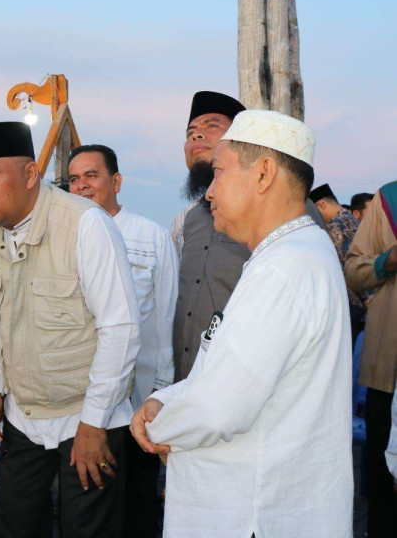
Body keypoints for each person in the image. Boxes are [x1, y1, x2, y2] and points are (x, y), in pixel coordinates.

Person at [131, 110, 353, 538]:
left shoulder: (285, 267)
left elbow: (220, 406)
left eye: (218, 173)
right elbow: (229, 369)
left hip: (253, 513)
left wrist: (158, 422)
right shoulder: (288, 254)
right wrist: (173, 400)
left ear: (264, 174)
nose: (209, 191)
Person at [0, 122, 140, 538]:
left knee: (88, 529)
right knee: (15, 525)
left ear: (30, 175)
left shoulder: (85, 225)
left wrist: (95, 424)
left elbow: (121, 329)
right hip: (24, 416)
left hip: (88, 416)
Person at [170, 91, 323, 381]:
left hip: (250, 384)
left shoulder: (287, 210)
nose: (197, 136)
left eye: (211, 126)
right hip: (186, 385)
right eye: (191, 131)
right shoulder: (188, 219)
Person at [67, 144, 177, 538]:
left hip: (138, 399)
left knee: (138, 502)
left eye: (91, 176)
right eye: (74, 179)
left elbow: (165, 316)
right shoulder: (66, 237)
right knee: (90, 503)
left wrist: (162, 389)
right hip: (85, 404)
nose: (81, 186)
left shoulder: (151, 236)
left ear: (116, 181)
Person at [344, 181, 397, 537]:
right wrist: (388, 260)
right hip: (388, 372)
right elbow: (354, 269)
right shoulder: (389, 198)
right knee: (383, 489)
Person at [311, 183, 366, 344]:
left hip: (350, 301)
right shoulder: (351, 218)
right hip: (363, 294)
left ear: (321, 205)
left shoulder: (335, 226)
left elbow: (344, 266)